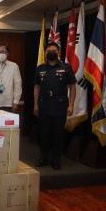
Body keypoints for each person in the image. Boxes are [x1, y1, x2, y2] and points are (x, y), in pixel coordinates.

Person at [33, 42, 76, 170]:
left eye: (54, 50)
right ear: (46, 53)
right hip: (44, 105)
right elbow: (36, 87)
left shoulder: (66, 67)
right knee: (44, 134)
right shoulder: (40, 68)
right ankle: (43, 158)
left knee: (58, 135)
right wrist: (35, 104)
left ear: (58, 52)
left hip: (60, 106)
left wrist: (71, 105)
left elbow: (72, 87)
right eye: (49, 51)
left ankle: (56, 160)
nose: (51, 52)